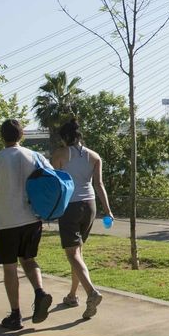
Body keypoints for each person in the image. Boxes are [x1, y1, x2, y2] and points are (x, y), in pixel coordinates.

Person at [0, 118, 52, 332]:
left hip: (7, 222)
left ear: (2, 136)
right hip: (32, 219)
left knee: (9, 267)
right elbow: (51, 180)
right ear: (22, 135)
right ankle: (40, 292)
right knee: (29, 259)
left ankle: (15, 314)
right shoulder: (36, 157)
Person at [51, 118, 113, 319]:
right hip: (90, 206)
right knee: (78, 252)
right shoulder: (94, 156)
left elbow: (53, 182)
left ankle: (91, 293)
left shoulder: (60, 154)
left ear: (65, 137)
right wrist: (108, 210)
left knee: (72, 254)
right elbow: (99, 185)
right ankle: (72, 295)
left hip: (70, 206)